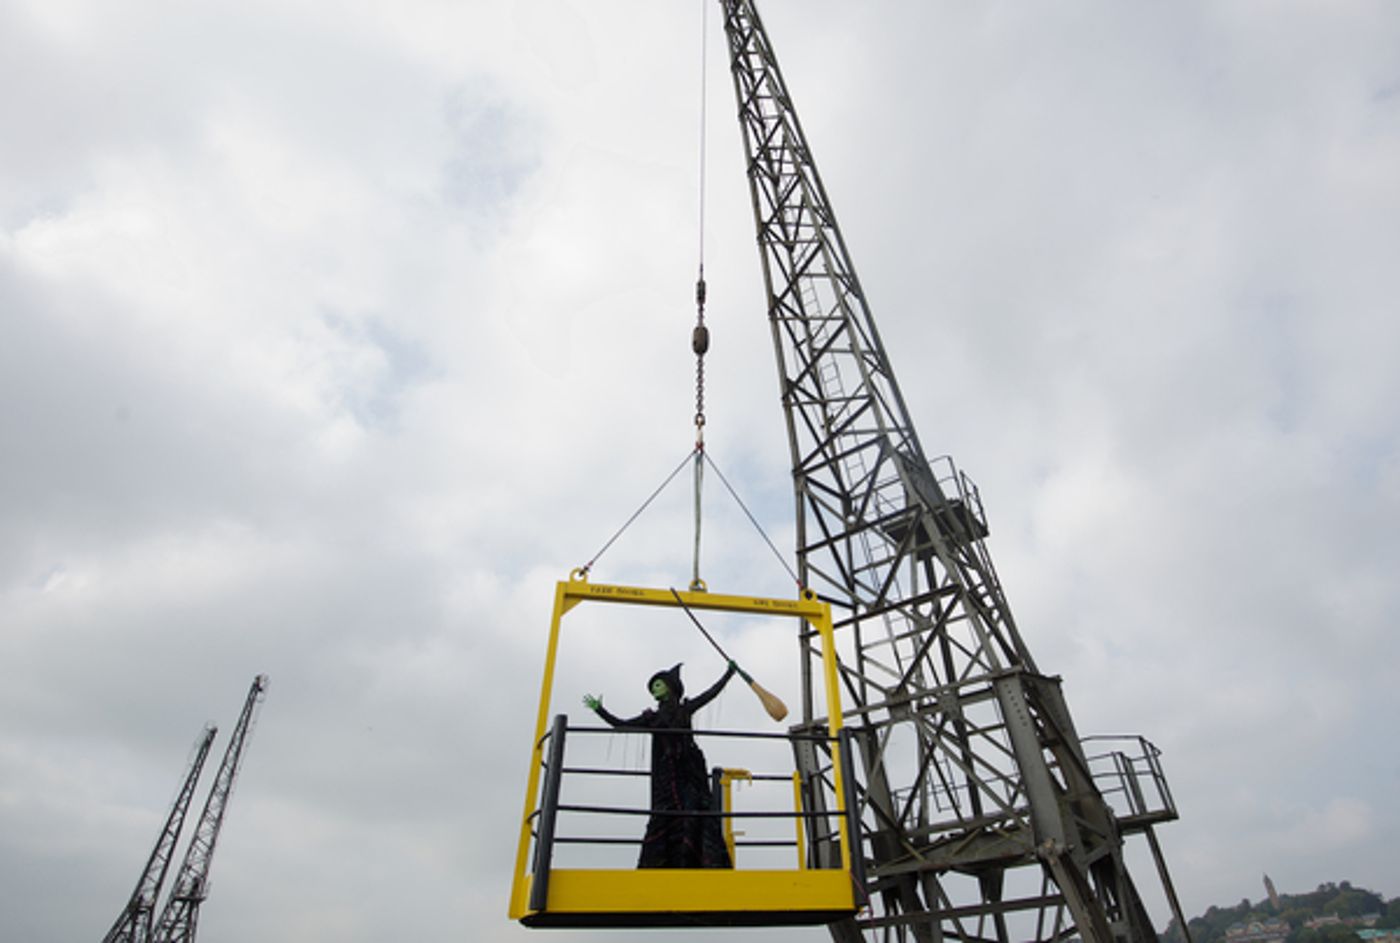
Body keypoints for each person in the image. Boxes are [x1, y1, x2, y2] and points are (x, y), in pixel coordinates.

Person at [583, 662, 737, 868]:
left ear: (670, 687)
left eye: (657, 685)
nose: (654, 689)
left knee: (693, 814)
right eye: (653, 686)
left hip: (690, 775)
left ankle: (695, 860)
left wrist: (728, 674)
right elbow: (622, 725)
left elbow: (710, 694)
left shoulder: (685, 710)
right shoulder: (651, 718)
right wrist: (600, 710)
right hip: (666, 779)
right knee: (665, 817)